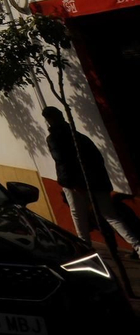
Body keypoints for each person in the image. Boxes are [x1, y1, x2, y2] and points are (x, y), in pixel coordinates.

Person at [42, 106, 140, 248]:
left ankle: (85, 247)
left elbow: (62, 161)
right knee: (111, 216)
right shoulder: (80, 136)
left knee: (79, 217)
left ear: (49, 120)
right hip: (98, 182)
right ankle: (137, 246)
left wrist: (74, 185)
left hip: (75, 184)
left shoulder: (54, 139)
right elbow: (98, 159)